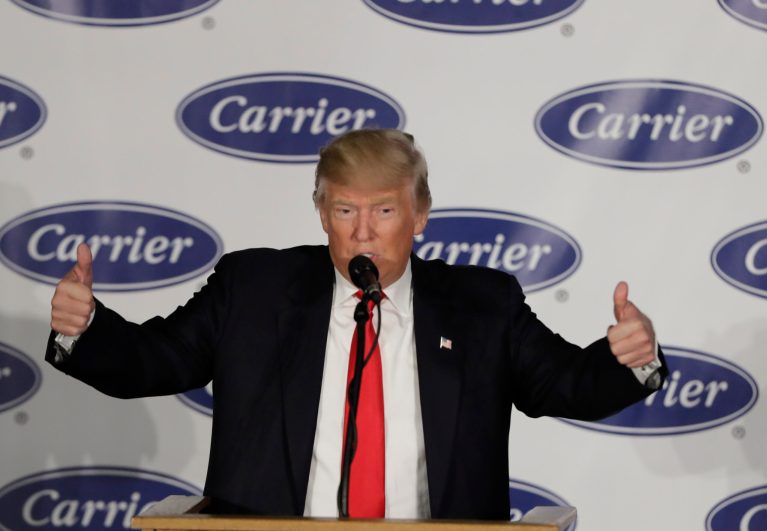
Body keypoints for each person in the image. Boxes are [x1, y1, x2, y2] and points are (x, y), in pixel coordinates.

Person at [47, 128, 666, 520]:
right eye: (345, 209)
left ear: (419, 215)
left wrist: (629, 360)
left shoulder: (482, 305)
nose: (362, 231)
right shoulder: (254, 291)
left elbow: (564, 383)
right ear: (322, 214)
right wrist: (88, 328)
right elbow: (156, 360)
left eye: (384, 210)